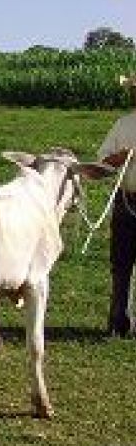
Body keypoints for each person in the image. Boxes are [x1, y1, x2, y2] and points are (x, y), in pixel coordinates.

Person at [97, 74, 136, 336]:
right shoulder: (123, 124)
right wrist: (120, 157)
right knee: (120, 265)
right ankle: (118, 322)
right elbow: (102, 162)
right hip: (126, 200)